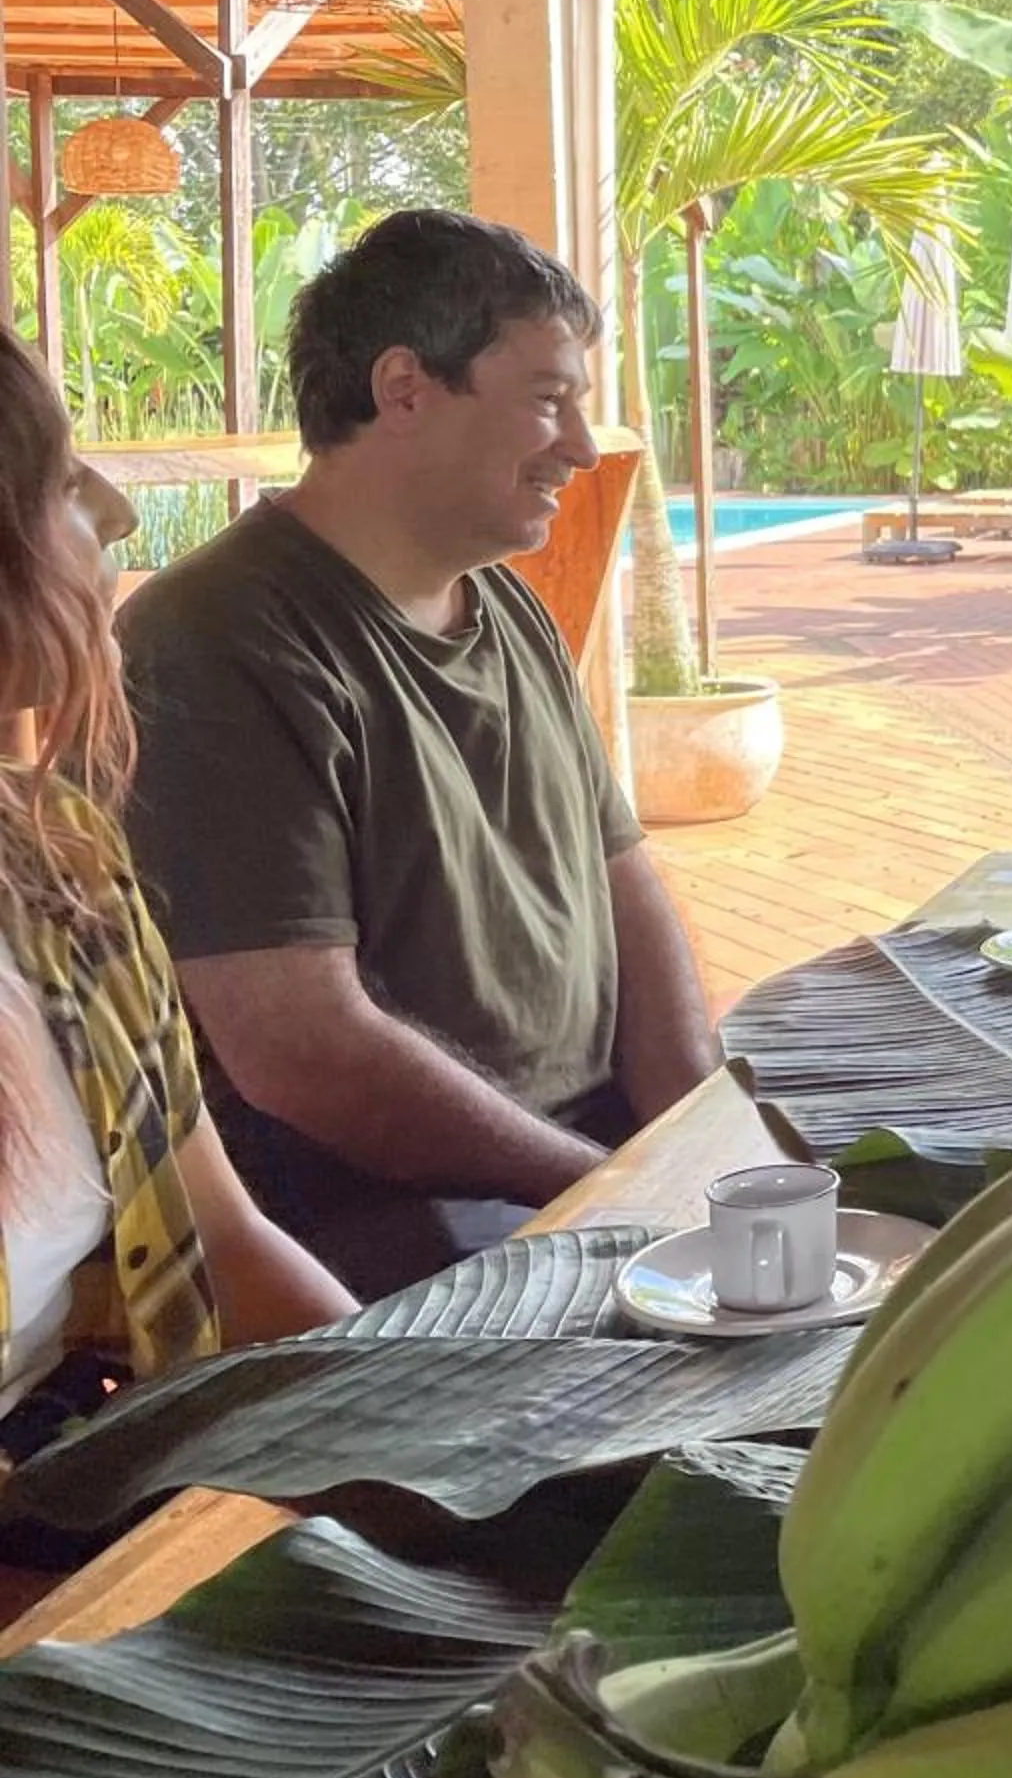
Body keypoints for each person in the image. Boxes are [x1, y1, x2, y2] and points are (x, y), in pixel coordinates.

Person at [117, 211, 719, 1301]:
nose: (581, 448)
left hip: (577, 1161)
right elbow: (304, 1049)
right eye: (548, 398)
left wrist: (698, 1147)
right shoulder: (214, 638)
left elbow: (628, 891)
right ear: (404, 389)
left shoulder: (507, 607)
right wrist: (604, 1191)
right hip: (382, 1213)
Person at [0, 323, 355, 1507]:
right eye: (55, 478)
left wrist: (447, 1443)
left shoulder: (62, 873)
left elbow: (226, 1246)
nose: (114, 509)